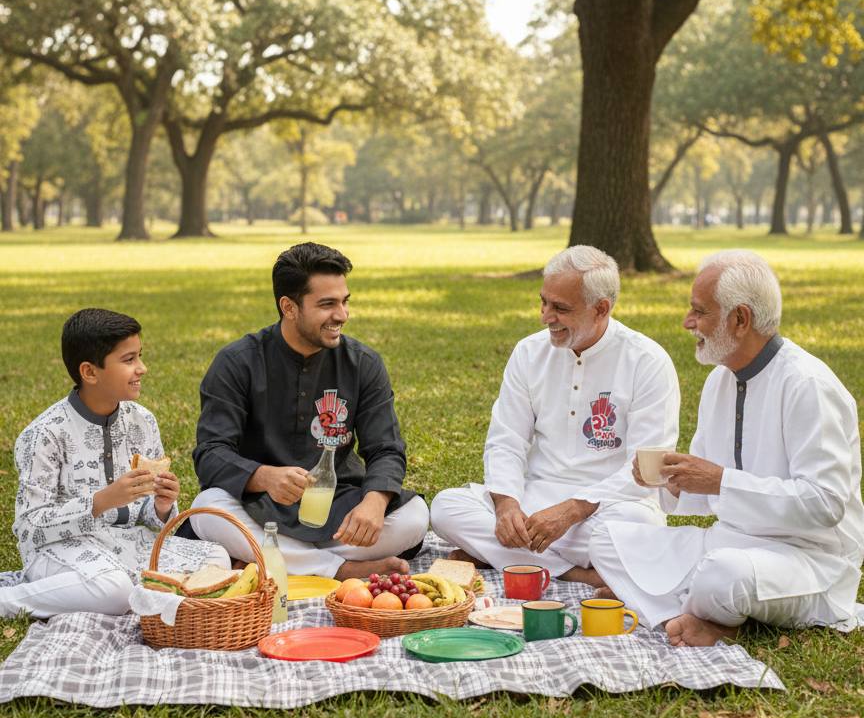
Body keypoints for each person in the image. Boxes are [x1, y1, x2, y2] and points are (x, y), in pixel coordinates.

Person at [588, 250, 864, 645]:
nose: (687, 323)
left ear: (740, 319)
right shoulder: (719, 381)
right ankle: (684, 606)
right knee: (608, 536)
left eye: (699, 312)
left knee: (722, 576)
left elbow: (825, 503)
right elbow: (708, 495)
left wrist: (720, 482)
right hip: (729, 542)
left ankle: (693, 612)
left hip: (809, 562)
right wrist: (670, 482)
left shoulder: (807, 385)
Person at [430, 245, 680, 580]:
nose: (546, 316)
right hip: (537, 498)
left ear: (601, 309)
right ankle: (581, 574)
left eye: (560, 308)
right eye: (543, 302)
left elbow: (646, 473)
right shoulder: (529, 352)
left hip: (611, 506)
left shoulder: (647, 361)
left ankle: (505, 557)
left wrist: (572, 510)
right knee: (447, 507)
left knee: (638, 531)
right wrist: (506, 506)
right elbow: (506, 440)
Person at [188, 242, 429, 579]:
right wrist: (265, 476)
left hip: (338, 505)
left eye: (344, 302)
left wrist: (374, 503)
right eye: (327, 304)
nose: (342, 315)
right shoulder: (236, 362)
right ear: (289, 306)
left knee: (415, 516)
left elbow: (386, 448)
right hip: (260, 505)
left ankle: (271, 559)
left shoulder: (363, 364)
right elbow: (211, 453)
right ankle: (337, 569)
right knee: (207, 509)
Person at [0, 309, 230, 620]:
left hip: (125, 543)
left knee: (217, 558)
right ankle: (9, 600)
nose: (142, 369)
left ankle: (133, 592)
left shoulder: (142, 421)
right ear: (90, 372)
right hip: (59, 548)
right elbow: (30, 527)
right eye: (129, 360)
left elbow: (145, 514)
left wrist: (162, 505)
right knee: (114, 589)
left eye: (140, 356)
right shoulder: (44, 435)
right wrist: (101, 501)